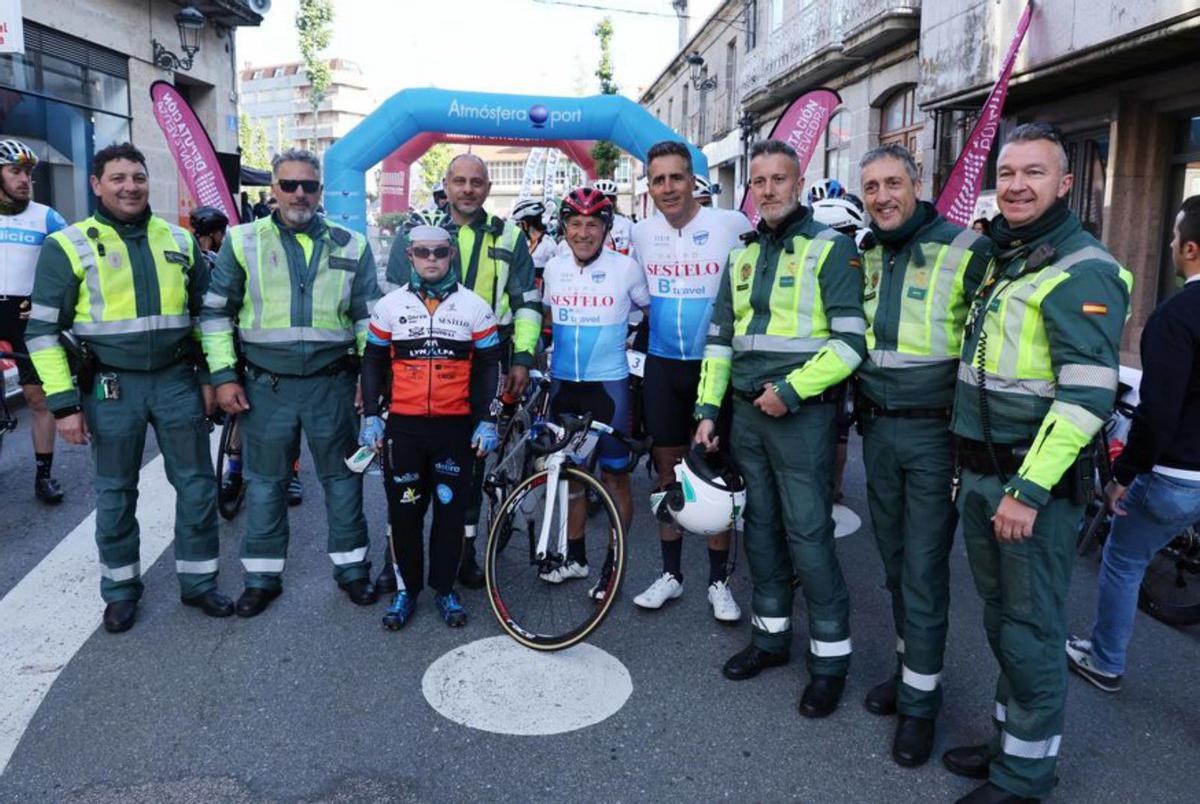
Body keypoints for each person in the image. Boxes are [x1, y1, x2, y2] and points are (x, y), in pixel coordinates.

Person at [946, 123, 1131, 804]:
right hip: (990, 475)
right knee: (1004, 623)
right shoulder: (1013, 255)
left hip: (1031, 489)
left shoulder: (1083, 269)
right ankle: (1007, 747)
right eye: (1007, 173)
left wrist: (1026, 489)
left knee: (1030, 631)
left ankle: (1025, 779)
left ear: (1066, 183)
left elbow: (1087, 399)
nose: (1016, 185)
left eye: (1034, 172)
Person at [695, 139, 865, 719]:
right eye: (759, 181)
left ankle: (829, 664)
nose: (767, 190)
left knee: (810, 538)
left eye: (778, 180)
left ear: (799, 183)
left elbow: (850, 345)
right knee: (761, 530)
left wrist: (791, 391)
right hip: (744, 417)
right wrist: (707, 412)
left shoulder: (832, 249)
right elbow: (720, 342)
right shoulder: (741, 256)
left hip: (800, 418)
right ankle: (769, 641)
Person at [27, 142, 228, 632]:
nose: (130, 186)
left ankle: (199, 584)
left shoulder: (180, 242)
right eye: (117, 178)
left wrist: (210, 376)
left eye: (137, 177)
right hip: (111, 386)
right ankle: (120, 591)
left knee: (198, 487)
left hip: (178, 380)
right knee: (116, 493)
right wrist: (64, 404)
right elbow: (42, 332)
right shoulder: (69, 244)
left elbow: (207, 317)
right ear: (97, 185)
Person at [854, 143, 993, 768]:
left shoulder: (967, 249)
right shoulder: (868, 253)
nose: (882, 196)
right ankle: (913, 673)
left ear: (918, 183)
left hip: (938, 438)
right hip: (879, 433)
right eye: (871, 188)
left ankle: (921, 706)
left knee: (923, 571)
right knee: (892, 563)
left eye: (892, 183)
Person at [201, 148, 381, 618]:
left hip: (333, 385)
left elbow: (368, 321)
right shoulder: (242, 241)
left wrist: (369, 380)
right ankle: (261, 578)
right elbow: (216, 315)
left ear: (320, 190)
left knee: (343, 480)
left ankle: (352, 570)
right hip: (267, 388)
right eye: (289, 185)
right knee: (265, 484)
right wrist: (223, 378)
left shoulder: (352, 244)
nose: (300, 193)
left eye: (309, 185)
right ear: (273, 190)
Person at [385, 153, 540, 591]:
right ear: (447, 186)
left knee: (470, 469)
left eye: (476, 182)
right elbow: (389, 303)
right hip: (421, 368)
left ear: (488, 189)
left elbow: (527, 302)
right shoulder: (416, 235)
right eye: (459, 181)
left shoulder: (509, 237)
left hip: (484, 370)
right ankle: (395, 556)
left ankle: (464, 554)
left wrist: (523, 359)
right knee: (405, 471)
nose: (468, 189)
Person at [1066, 195, 1200, 692]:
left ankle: (1105, 660)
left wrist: (1123, 475)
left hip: (1174, 473)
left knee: (1123, 560)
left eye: (1172, 238)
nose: (1167, 246)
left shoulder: (1176, 317)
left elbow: (1158, 411)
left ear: (1188, 248)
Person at [628, 140, 753, 621]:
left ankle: (720, 582)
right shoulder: (641, 233)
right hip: (662, 366)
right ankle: (670, 575)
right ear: (650, 186)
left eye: (676, 177)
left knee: (716, 476)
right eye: (658, 180)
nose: (667, 188)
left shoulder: (730, 225)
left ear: (692, 179)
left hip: (714, 366)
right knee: (668, 475)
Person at [360, 224, 502, 629]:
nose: (432, 260)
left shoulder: (475, 306)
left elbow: (491, 366)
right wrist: (371, 414)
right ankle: (407, 589)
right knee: (404, 512)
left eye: (440, 252)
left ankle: (445, 589)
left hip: (454, 430)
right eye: (423, 252)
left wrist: (488, 419)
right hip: (403, 428)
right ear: (410, 256)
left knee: (450, 513)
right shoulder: (390, 306)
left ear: (451, 254)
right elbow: (371, 361)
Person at [539, 186, 649, 594]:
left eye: (592, 224)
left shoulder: (627, 269)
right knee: (571, 476)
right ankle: (577, 557)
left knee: (615, 477)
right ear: (564, 227)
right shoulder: (554, 267)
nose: (583, 233)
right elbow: (549, 315)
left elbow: (649, 313)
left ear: (606, 228)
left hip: (610, 388)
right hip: (565, 387)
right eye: (575, 223)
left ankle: (612, 564)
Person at [0, 138, 67, 504]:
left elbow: (71, 267)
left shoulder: (47, 216)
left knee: (37, 398)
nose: (24, 178)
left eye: (27, 172)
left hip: (27, 314)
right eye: (15, 171)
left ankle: (44, 474)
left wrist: (53, 303)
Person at [510, 198, 556, 277]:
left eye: (518, 224)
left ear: (525, 224)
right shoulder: (525, 243)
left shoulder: (549, 245)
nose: (517, 228)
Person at [594, 178, 633, 255]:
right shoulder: (586, 225)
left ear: (615, 200)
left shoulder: (627, 225)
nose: (605, 202)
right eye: (601, 198)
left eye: (610, 198)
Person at [189, 205, 229, 270]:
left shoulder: (189, 253)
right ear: (212, 233)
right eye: (222, 232)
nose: (223, 236)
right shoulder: (212, 261)